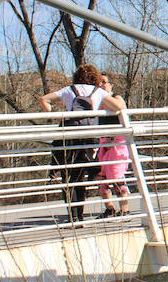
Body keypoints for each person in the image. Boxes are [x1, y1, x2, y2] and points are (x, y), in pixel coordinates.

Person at [38, 64, 125, 221]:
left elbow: (44, 99)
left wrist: (55, 115)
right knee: (80, 177)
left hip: (68, 137)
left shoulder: (68, 90)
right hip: (88, 139)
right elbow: (119, 107)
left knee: (68, 177)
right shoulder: (98, 92)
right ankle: (80, 216)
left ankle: (73, 216)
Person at [95, 105, 131, 218]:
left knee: (117, 180)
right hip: (104, 145)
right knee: (101, 180)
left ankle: (124, 210)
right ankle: (110, 209)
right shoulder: (99, 103)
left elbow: (125, 123)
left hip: (117, 148)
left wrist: (112, 140)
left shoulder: (116, 101)